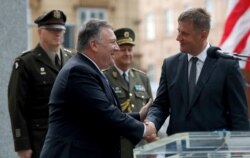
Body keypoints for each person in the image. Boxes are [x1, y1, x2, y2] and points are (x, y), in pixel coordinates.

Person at [40, 19, 156, 158]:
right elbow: (105, 113)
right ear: (94, 45)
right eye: (113, 42)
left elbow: (96, 116)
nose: (117, 48)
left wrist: (139, 116)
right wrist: (144, 129)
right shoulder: (79, 71)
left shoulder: (90, 69)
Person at [146, 8, 249, 137]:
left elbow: (239, 114)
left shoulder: (226, 65)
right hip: (177, 148)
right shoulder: (170, 65)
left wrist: (240, 150)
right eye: (179, 31)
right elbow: (161, 105)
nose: (178, 38)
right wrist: (152, 123)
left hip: (215, 149)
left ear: (203, 35)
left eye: (185, 34)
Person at [8, 10, 73, 158]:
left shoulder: (71, 59)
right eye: (52, 30)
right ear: (40, 32)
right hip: (40, 140)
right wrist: (22, 145)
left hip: (70, 139)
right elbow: (16, 107)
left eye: (60, 30)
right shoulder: (26, 63)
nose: (57, 34)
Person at [103, 27, 153, 158]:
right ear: (114, 52)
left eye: (130, 50)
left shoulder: (142, 78)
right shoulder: (104, 77)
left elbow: (150, 113)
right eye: (123, 49)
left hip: (141, 147)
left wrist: (153, 142)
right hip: (117, 147)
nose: (127, 53)